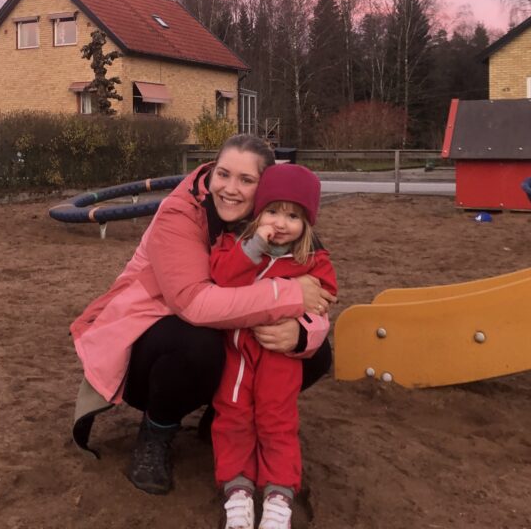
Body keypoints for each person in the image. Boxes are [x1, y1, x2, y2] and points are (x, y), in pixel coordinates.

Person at [70, 134, 338, 496]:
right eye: (223, 174)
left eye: (246, 180)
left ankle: (226, 415)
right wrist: (287, 294)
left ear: (266, 189)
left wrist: (302, 332)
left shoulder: (280, 220)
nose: (229, 188)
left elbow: (320, 294)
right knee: (197, 343)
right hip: (150, 344)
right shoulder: (180, 213)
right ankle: (157, 429)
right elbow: (193, 304)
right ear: (210, 172)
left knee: (314, 351)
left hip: (233, 341)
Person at [209, 164, 337, 529]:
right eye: (272, 211)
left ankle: (279, 494)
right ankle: (238, 490)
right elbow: (221, 278)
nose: (281, 223)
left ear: (307, 223)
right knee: (232, 416)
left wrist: (300, 332)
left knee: (277, 420)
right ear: (257, 212)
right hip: (238, 353)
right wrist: (254, 246)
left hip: (280, 358)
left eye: (293, 215)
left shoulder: (312, 260)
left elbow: (323, 302)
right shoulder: (238, 246)